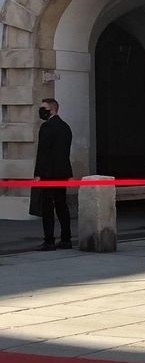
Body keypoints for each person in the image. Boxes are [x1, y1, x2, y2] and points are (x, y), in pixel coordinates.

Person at [33, 98, 73, 251]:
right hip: (62, 173)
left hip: (48, 174)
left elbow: (43, 152)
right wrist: (68, 173)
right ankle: (66, 239)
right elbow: (65, 153)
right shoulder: (65, 127)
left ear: (52, 109)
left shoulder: (47, 127)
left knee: (47, 208)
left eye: (44, 108)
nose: (41, 111)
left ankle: (49, 241)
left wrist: (38, 174)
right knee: (62, 206)